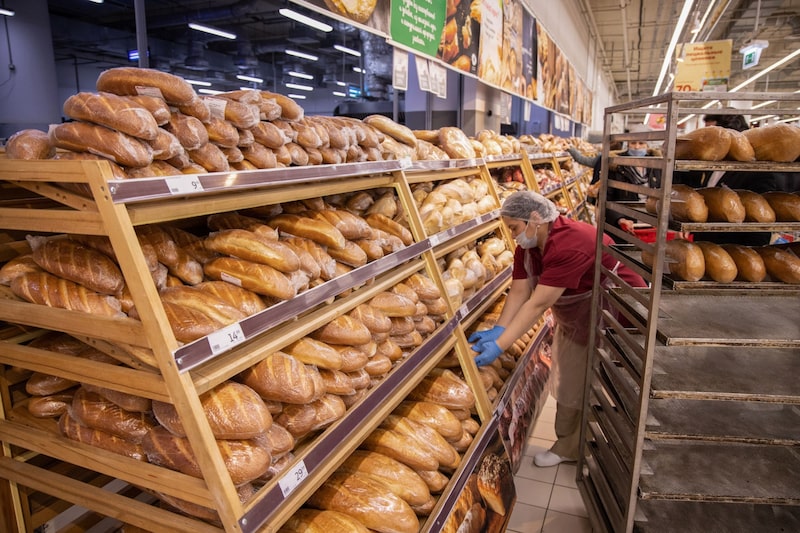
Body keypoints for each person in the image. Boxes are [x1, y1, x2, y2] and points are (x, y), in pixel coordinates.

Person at [469, 191, 647, 467]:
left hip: (617, 311)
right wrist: (499, 328)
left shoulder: (569, 244)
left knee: (596, 378)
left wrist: (501, 345)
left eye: (514, 228)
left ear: (535, 218)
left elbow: (539, 302)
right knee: (572, 376)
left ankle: (575, 446)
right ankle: (572, 441)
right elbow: (519, 292)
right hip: (581, 314)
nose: (514, 236)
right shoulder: (529, 246)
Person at [604, 140, 661, 234]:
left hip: (650, 224)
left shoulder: (656, 165)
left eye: (641, 143)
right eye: (633, 143)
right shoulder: (616, 165)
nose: (637, 147)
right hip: (624, 223)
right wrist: (620, 219)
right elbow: (607, 197)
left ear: (647, 146)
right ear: (628, 144)